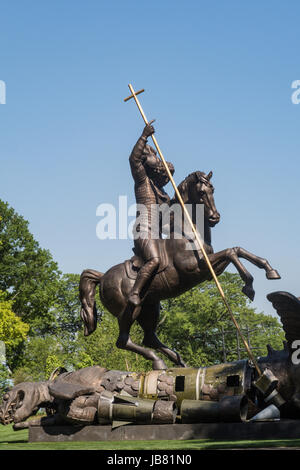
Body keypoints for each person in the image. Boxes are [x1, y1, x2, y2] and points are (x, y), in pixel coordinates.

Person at [128, 122, 174, 307]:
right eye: (152, 155)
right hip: (144, 230)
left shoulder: (163, 193)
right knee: (155, 260)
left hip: (158, 235)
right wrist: (144, 136)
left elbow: (168, 223)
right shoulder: (142, 180)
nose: (156, 158)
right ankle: (135, 292)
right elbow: (133, 159)